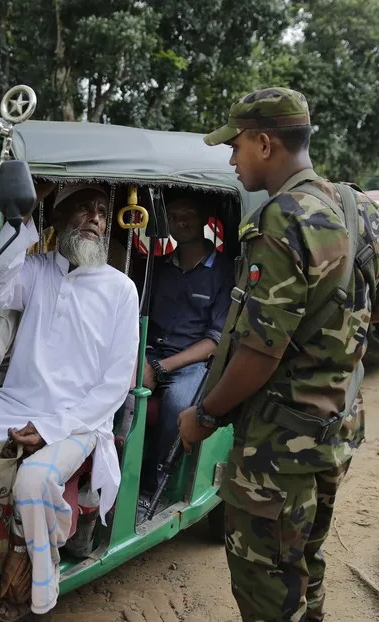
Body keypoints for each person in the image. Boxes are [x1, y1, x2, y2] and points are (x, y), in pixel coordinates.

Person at [179, 87, 379, 621]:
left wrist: (203, 416)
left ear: (266, 143)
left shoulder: (282, 220)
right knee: (304, 564)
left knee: (266, 585)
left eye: (237, 146)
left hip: (279, 451)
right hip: (335, 430)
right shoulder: (362, 209)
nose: (232, 158)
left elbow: (258, 352)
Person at [0, 184, 140, 621]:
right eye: (83, 209)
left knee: (33, 483)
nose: (95, 218)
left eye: (101, 212)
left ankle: (40, 589)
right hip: (15, 404)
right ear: (56, 219)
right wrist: (22, 216)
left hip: (81, 422)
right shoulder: (35, 271)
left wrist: (54, 428)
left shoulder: (121, 289)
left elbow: (113, 388)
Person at [137, 193, 234, 519]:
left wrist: (159, 367)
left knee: (178, 402)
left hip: (192, 361)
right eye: (174, 213)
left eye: (188, 213)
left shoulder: (222, 271)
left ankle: (152, 489)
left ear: (205, 218)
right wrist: (143, 361)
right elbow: (136, 321)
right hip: (150, 353)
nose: (180, 220)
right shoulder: (158, 267)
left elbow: (215, 341)